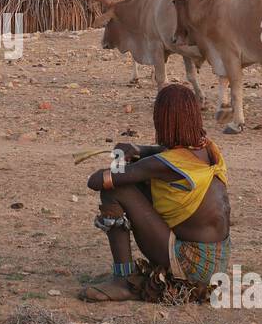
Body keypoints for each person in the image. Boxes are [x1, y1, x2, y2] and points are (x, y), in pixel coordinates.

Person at [79, 83, 230, 302]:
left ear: (162, 121)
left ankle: (123, 282)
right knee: (142, 184)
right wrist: (139, 150)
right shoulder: (208, 149)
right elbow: (164, 153)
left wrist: (119, 159)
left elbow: (96, 181)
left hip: (192, 264)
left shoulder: (163, 165)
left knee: (116, 190)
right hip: (216, 262)